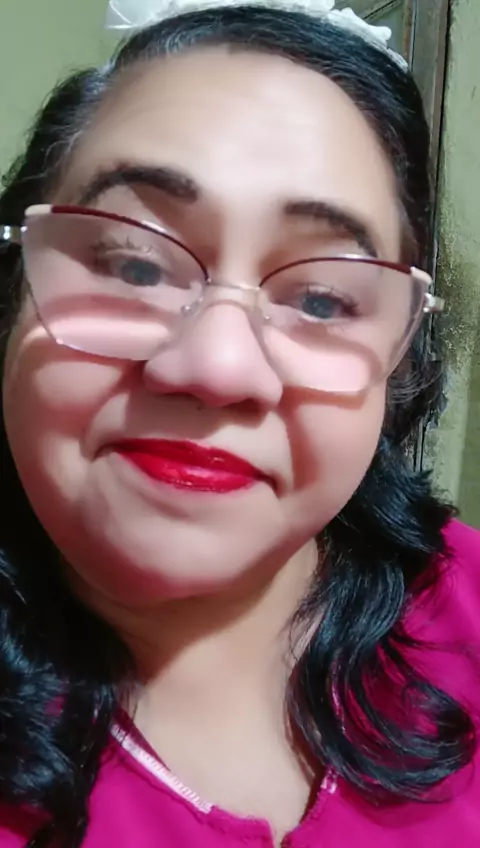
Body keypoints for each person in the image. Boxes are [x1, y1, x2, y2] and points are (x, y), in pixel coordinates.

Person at [0, 1, 479, 846]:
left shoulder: (463, 603)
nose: (216, 368)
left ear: (400, 361)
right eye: (135, 266)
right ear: (15, 288)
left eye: (322, 300)